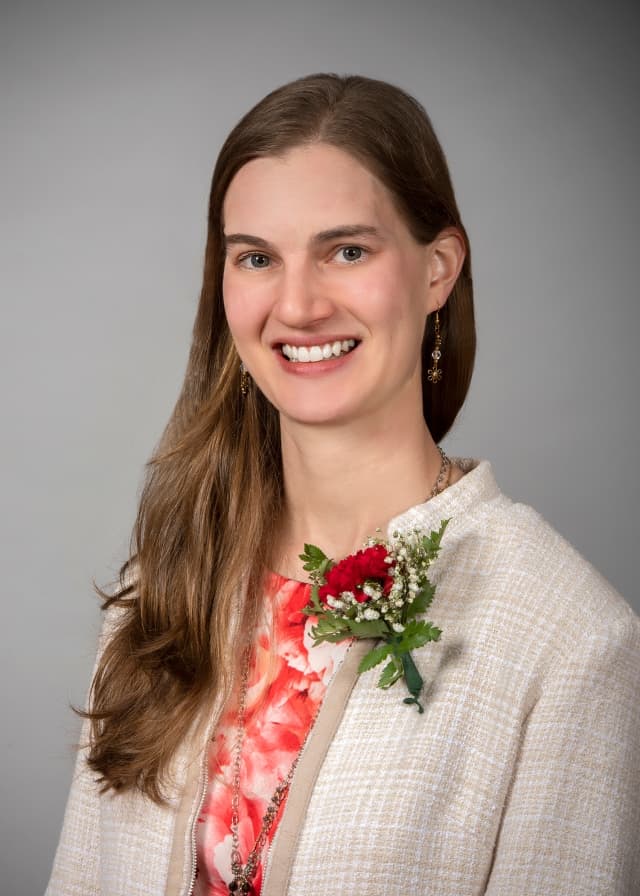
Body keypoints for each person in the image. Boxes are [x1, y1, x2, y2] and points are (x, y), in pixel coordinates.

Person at [46, 73, 640, 896]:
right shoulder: (163, 591)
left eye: (347, 251)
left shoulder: (570, 643)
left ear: (438, 271)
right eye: (257, 258)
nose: (296, 305)